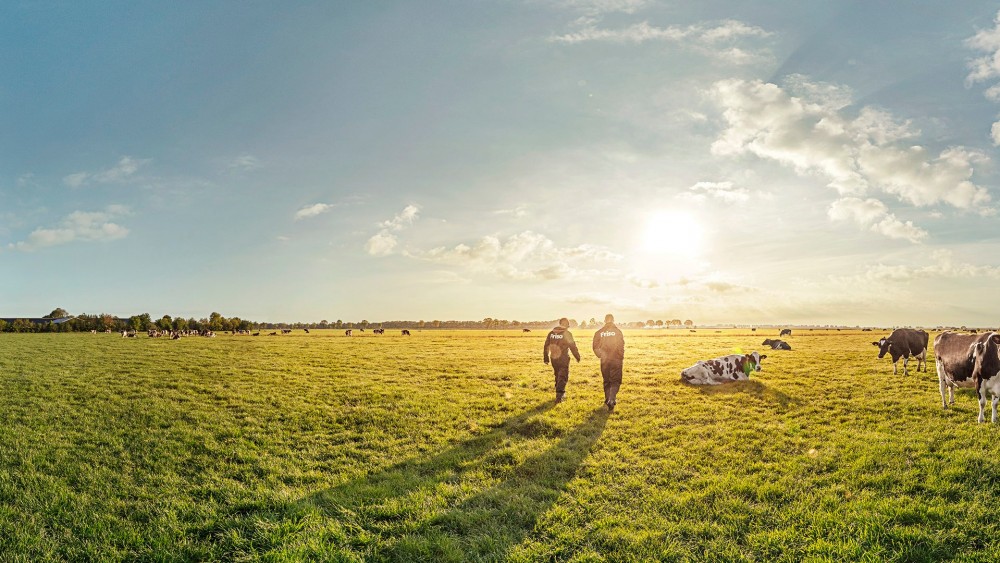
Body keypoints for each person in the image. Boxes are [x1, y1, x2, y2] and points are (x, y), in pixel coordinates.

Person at [543, 317, 581, 403]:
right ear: (566, 325)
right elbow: (573, 346)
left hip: (553, 358)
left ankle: (558, 391)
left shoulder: (551, 333)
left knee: (557, 375)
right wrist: (577, 356)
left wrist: (546, 358)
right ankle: (559, 396)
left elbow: (546, 346)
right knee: (563, 376)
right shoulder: (567, 334)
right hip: (563, 358)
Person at [593, 313, 625, 412]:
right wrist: (620, 357)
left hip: (604, 360)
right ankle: (612, 399)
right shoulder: (618, 331)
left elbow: (595, 347)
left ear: (604, 320)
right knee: (615, 380)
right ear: (613, 320)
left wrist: (601, 355)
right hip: (616, 359)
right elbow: (621, 345)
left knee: (606, 380)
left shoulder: (599, 332)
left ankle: (607, 399)